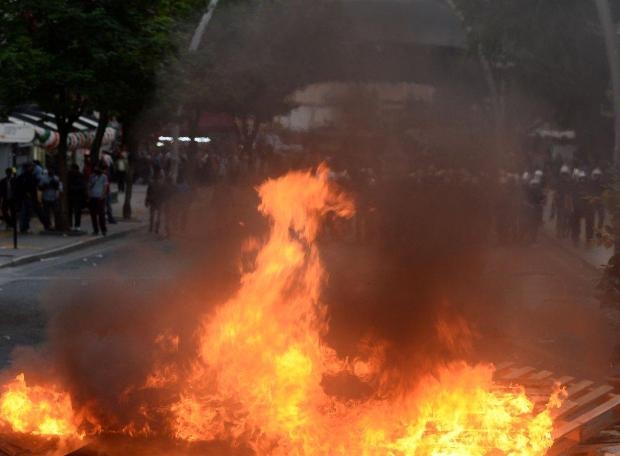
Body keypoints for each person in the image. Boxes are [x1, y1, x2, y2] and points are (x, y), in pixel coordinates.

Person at [15, 162, 50, 233]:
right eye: (31, 167)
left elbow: (36, 185)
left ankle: (46, 225)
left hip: (32, 197)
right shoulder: (24, 177)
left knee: (33, 212)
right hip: (27, 198)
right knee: (26, 213)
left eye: (32, 167)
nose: (32, 168)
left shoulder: (31, 176)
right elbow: (20, 188)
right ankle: (24, 228)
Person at [87, 165, 108, 236]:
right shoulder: (91, 176)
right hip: (93, 197)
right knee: (93, 214)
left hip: (100, 197)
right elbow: (89, 186)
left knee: (101, 214)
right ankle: (95, 230)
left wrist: (102, 195)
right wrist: (89, 195)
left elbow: (105, 187)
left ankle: (103, 229)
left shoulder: (104, 177)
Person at [67, 164, 87, 231]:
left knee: (77, 212)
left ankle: (77, 225)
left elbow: (83, 186)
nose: (71, 170)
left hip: (78, 196)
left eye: (72, 169)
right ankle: (70, 225)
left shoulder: (80, 176)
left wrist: (74, 188)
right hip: (70, 196)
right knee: (70, 211)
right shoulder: (69, 175)